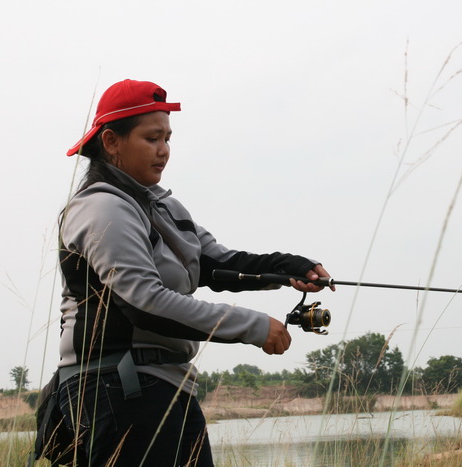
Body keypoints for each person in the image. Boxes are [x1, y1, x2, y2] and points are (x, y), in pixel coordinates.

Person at [56, 79, 333, 466]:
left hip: (164, 387)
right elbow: (145, 304)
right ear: (111, 142)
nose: (164, 151)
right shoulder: (102, 208)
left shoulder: (162, 208)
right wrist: (253, 327)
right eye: (152, 138)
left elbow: (216, 265)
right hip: (116, 390)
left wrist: (286, 267)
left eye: (167, 139)